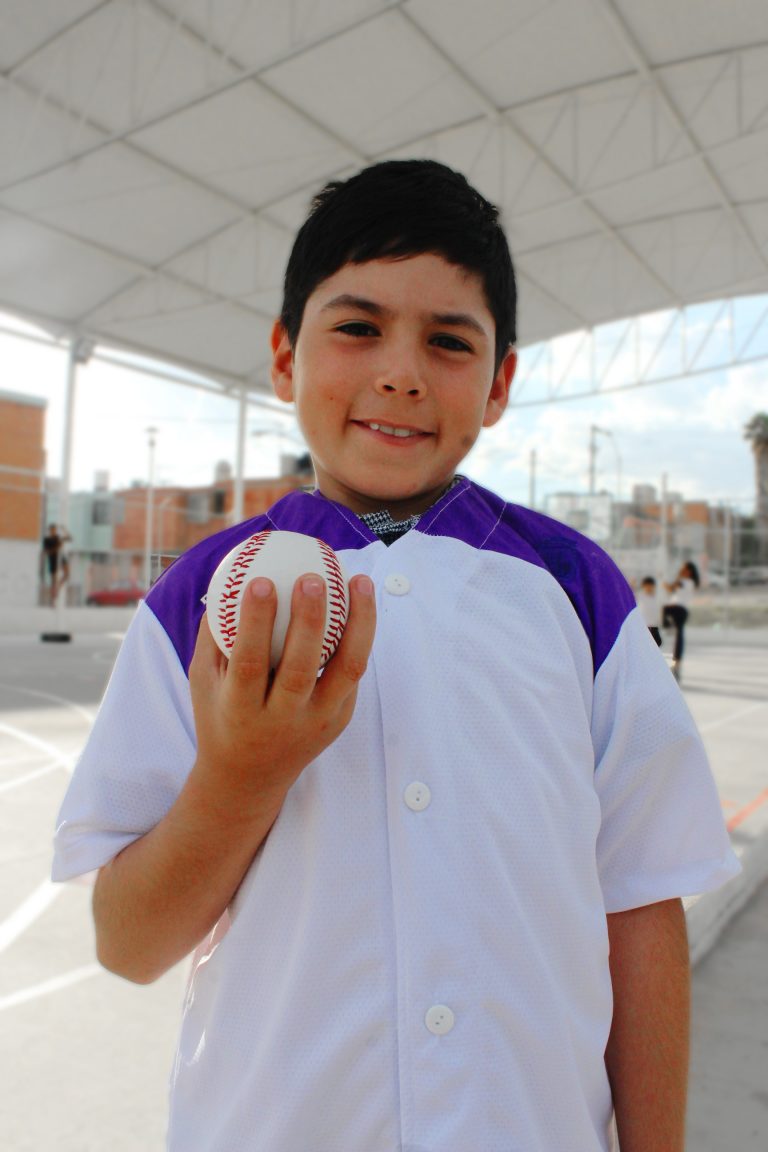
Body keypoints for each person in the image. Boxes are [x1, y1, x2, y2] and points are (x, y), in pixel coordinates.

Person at [52, 160, 738, 1152]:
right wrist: (242, 777)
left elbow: (640, 900)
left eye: (449, 341)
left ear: (500, 383)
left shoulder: (573, 591)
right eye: (358, 327)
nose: (403, 373)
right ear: (284, 357)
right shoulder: (198, 601)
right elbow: (129, 943)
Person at [663, 560, 701, 681]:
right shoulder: (688, 582)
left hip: (679, 609)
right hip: (681, 610)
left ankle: (667, 626)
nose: (681, 570)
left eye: (684, 569)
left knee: (664, 611)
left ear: (688, 571)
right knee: (679, 636)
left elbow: (671, 588)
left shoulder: (686, 582)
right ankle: (677, 662)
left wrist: (666, 580)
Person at [636, 574, 662, 646]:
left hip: (654, 624)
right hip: (644, 624)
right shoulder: (640, 595)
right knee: (645, 642)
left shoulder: (656, 597)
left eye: (651, 586)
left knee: (657, 642)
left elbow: (659, 609)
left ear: (653, 586)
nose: (649, 588)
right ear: (643, 586)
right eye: (647, 586)